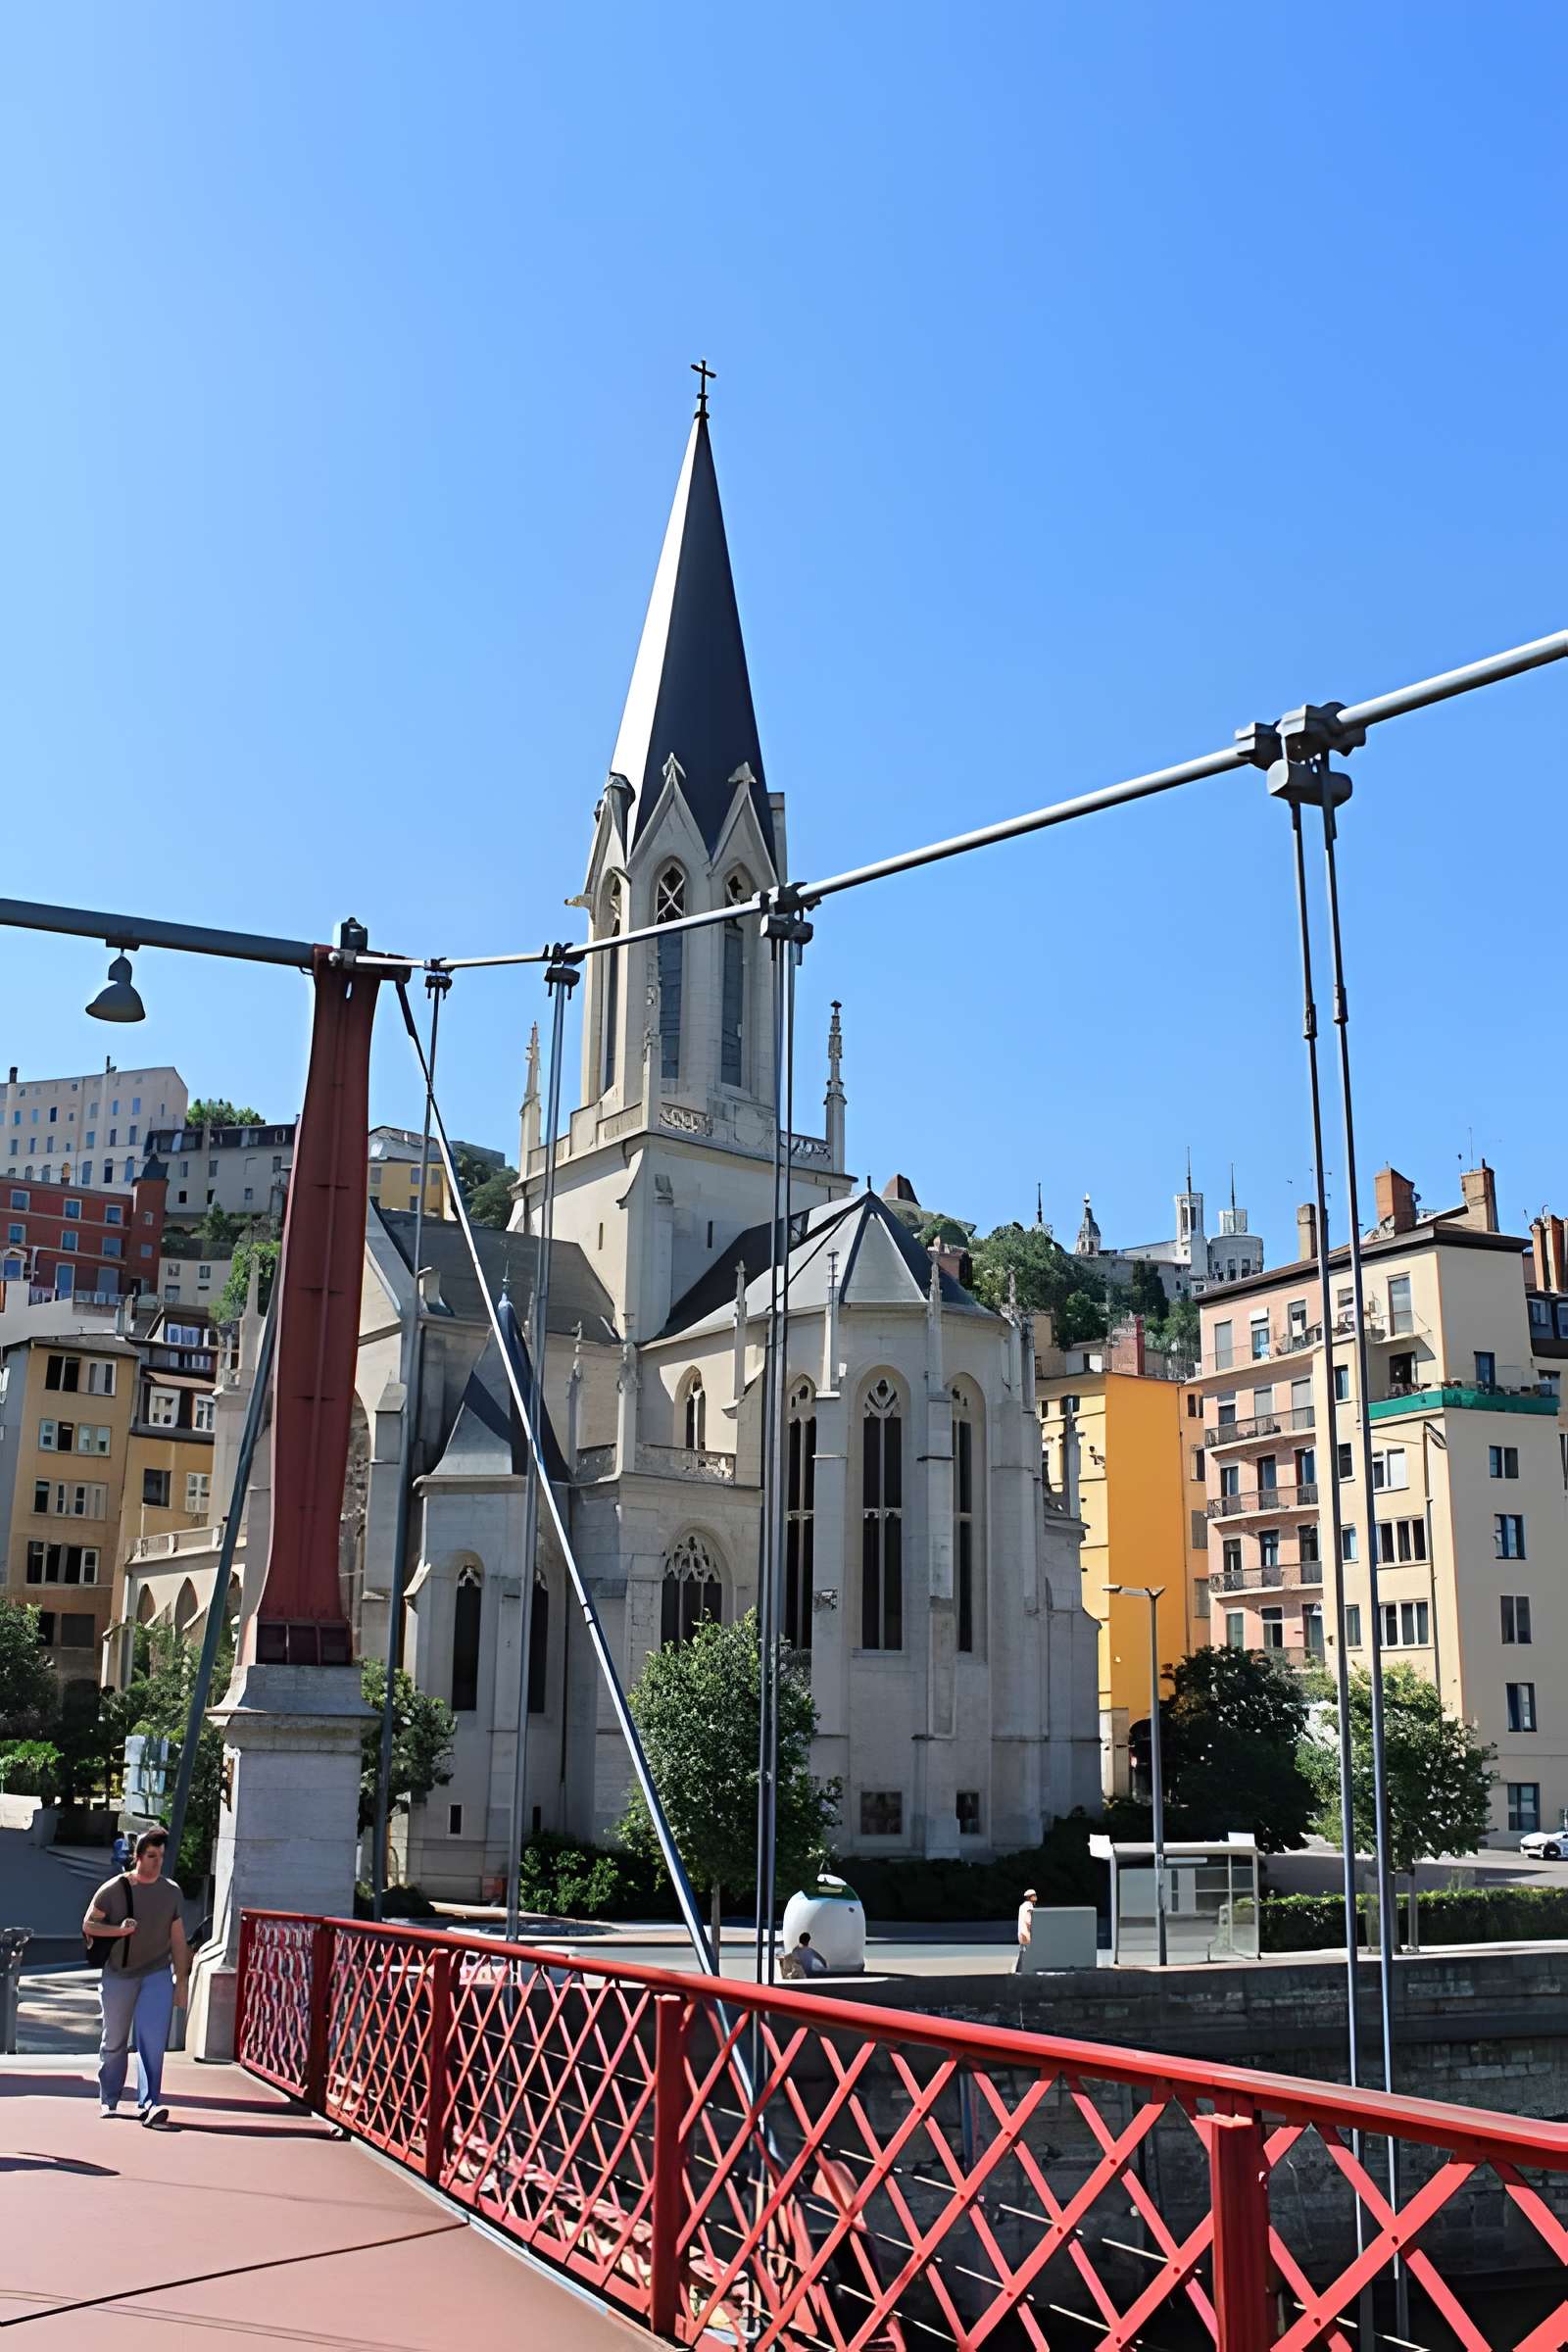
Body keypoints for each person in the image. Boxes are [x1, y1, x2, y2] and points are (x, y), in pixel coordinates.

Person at [84, 1828, 190, 2128]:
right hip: (119, 1974)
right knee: (115, 2040)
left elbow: (178, 1938)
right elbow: (89, 1925)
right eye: (151, 1856)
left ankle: (150, 2103)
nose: (157, 1863)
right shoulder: (114, 1889)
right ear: (138, 1857)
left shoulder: (171, 1892)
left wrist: (181, 1981)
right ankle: (110, 2098)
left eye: (161, 1857)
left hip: (156, 1972)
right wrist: (120, 1930)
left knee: (152, 2041)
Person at [1014, 1886, 1038, 1974]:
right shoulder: (1029, 1906)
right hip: (1026, 1933)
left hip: (1021, 1933)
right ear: (1029, 1897)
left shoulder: (1022, 1906)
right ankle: (1026, 1970)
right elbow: (1028, 1920)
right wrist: (1033, 1929)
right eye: (1033, 1895)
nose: (1035, 1896)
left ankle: (1018, 1969)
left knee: (1022, 1951)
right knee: (1028, 1952)